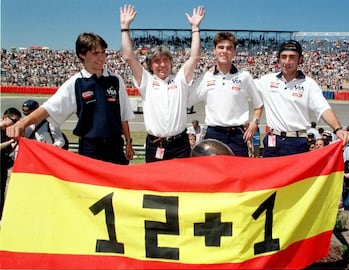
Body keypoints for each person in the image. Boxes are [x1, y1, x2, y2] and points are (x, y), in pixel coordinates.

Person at [6, 33, 135, 165]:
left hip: (115, 146)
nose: (101, 58)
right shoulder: (75, 83)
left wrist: (129, 141)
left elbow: (123, 115)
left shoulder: (115, 80)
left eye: (103, 52)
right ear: (82, 54)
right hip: (90, 148)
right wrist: (22, 123)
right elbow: (48, 108)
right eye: (96, 53)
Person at [120, 4, 205, 163]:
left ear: (171, 63)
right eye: (157, 61)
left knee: (181, 186)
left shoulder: (179, 80)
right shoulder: (146, 81)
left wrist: (195, 28)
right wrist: (125, 27)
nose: (162, 64)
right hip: (155, 144)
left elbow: (194, 58)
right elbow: (129, 57)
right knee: (155, 187)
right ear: (150, 65)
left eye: (165, 60)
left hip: (180, 145)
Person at [255, 40, 349, 157]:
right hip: (273, 140)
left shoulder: (309, 84)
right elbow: (243, 87)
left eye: (292, 57)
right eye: (283, 57)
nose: (287, 61)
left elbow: (323, 108)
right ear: (278, 59)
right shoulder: (267, 80)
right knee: (270, 175)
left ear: (300, 59)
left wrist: (338, 129)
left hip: (297, 142)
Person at [189, 32, 263, 157]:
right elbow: (187, 101)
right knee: (213, 175)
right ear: (214, 50)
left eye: (229, 48)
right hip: (214, 134)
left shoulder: (244, 77)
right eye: (221, 47)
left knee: (238, 174)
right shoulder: (206, 77)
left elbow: (259, 104)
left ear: (234, 52)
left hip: (238, 136)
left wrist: (254, 123)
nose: (224, 51)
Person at [1, 107, 21, 220]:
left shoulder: (5, 133)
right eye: (13, 121)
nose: (14, 124)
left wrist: (15, 144)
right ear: (5, 117)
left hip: (3, 168)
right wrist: (10, 141)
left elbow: (6, 151)